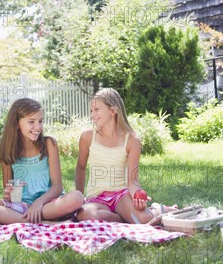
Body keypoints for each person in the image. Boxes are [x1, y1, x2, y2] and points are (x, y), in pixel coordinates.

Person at [0, 98, 84, 224]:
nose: (38, 127)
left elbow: (57, 187)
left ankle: (29, 219)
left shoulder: (49, 144)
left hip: (47, 204)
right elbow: (9, 192)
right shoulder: (8, 152)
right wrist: (8, 193)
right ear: (17, 123)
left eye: (40, 121)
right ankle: (44, 222)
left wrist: (38, 203)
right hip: (21, 207)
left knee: (77, 197)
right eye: (31, 122)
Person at [75, 88, 177, 224]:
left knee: (143, 220)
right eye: (91, 111)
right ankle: (121, 218)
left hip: (121, 196)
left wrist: (137, 195)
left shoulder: (132, 140)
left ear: (113, 110)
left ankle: (159, 210)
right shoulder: (87, 137)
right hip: (96, 198)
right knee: (84, 215)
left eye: (97, 110)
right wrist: (80, 197)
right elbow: (81, 167)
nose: (92, 115)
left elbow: (132, 181)